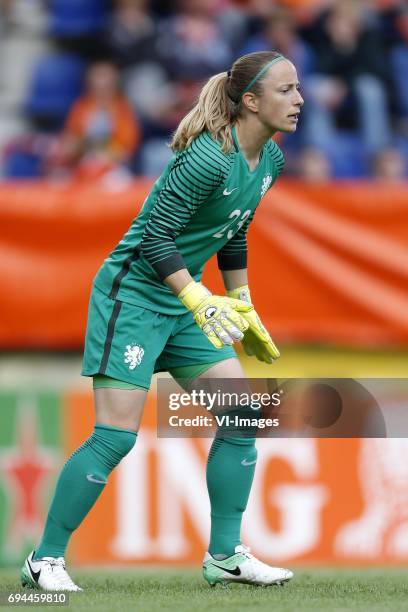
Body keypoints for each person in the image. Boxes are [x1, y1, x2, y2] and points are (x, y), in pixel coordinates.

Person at [21, 50, 303, 591]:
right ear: (250, 101)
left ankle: (225, 556)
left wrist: (241, 300)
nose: (299, 100)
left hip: (185, 297)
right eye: (287, 90)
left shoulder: (270, 161)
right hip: (133, 295)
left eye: (297, 89)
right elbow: (154, 237)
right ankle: (45, 561)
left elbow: (234, 230)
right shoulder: (206, 159)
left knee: (242, 417)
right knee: (115, 437)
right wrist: (198, 298)